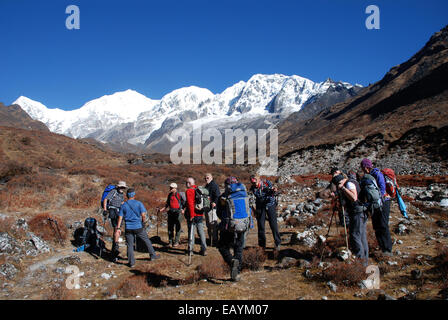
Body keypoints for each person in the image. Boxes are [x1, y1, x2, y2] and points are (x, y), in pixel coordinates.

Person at [217, 177, 250, 282]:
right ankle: (236, 274)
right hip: (243, 225)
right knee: (239, 249)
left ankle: (231, 261)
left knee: (222, 246)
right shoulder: (244, 194)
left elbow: (218, 213)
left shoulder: (223, 197)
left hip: (228, 226)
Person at [116, 188, 160, 267]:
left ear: (127, 196)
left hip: (128, 228)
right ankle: (153, 255)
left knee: (129, 245)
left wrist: (118, 228)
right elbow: (143, 215)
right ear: (134, 195)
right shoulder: (139, 203)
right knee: (146, 240)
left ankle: (131, 262)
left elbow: (120, 217)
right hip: (138, 226)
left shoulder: (124, 205)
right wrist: (143, 222)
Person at [332, 174, 369, 266]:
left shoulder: (349, 184)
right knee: (362, 236)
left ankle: (361, 261)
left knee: (355, 235)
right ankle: (365, 260)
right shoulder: (353, 181)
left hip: (357, 213)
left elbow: (354, 197)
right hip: (361, 212)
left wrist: (343, 189)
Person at [360, 158, 393, 256]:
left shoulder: (377, 174)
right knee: (376, 226)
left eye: (363, 167)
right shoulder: (369, 176)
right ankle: (382, 247)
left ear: (366, 167)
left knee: (383, 225)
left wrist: (379, 200)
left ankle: (387, 249)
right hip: (374, 204)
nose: (362, 169)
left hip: (383, 202)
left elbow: (382, 189)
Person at [250, 175, 281, 251]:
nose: (255, 184)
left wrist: (273, 190)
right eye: (253, 183)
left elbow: (273, 190)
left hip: (270, 204)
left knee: (273, 224)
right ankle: (261, 246)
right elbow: (254, 198)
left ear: (259, 180)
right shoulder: (253, 188)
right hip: (260, 206)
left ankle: (277, 243)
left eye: (255, 182)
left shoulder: (267, 183)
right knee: (261, 225)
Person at [103, 181, 127, 261]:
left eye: (123, 187)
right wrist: (105, 210)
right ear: (118, 187)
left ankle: (115, 247)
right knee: (117, 229)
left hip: (119, 212)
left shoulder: (122, 194)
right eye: (121, 187)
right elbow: (106, 199)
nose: (122, 189)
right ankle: (115, 249)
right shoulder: (113, 192)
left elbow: (122, 202)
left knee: (117, 229)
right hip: (113, 212)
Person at [185, 177, 207, 256]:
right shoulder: (199, 190)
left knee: (191, 232)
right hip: (200, 214)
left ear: (189, 183)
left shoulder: (189, 191)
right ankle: (204, 249)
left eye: (187, 182)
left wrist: (191, 215)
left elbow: (190, 204)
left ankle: (190, 250)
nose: (186, 184)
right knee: (201, 232)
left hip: (193, 214)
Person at [158, 183, 185, 247]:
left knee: (178, 228)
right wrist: (162, 209)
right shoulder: (169, 195)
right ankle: (170, 242)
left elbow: (184, 203)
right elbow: (167, 204)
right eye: (170, 187)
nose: (170, 188)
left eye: (172, 188)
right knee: (170, 228)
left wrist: (183, 210)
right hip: (171, 212)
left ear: (175, 188)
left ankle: (176, 241)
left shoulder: (179, 195)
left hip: (178, 212)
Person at [204, 173, 220, 247]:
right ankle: (210, 239)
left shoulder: (214, 185)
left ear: (211, 178)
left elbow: (217, 196)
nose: (206, 179)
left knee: (213, 224)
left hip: (212, 208)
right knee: (208, 225)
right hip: (207, 207)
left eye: (207, 178)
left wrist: (215, 203)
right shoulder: (206, 186)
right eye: (205, 178)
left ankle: (215, 240)